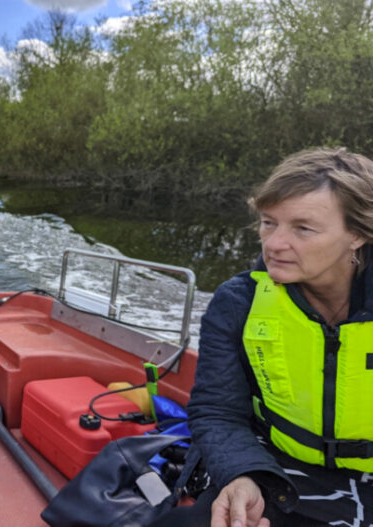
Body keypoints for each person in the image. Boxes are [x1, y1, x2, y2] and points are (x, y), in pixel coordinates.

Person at [151, 147, 373, 527]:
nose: (273, 244)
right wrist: (241, 475)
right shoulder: (238, 303)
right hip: (272, 470)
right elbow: (218, 411)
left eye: (302, 228)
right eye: (269, 222)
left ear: (356, 234)